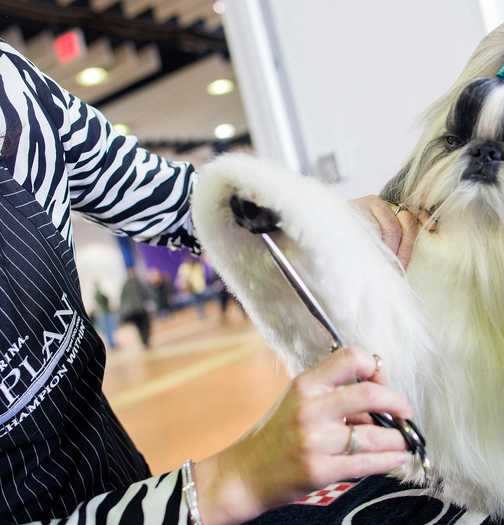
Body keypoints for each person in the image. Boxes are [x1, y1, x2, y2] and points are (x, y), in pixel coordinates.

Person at [0, 41, 422, 524]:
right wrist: (233, 479)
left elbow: (179, 202)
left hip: (121, 476)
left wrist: (317, 225)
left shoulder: (11, 89)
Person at [119, 268, 154, 349]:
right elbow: (146, 292)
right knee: (144, 325)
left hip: (133, 311)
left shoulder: (125, 284)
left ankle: (144, 341)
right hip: (140, 309)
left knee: (139, 327)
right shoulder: (138, 282)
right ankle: (146, 341)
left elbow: (122, 298)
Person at [93, 282, 118, 349]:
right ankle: (112, 344)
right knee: (108, 329)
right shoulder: (99, 294)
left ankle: (112, 343)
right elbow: (105, 300)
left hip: (104, 313)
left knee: (108, 329)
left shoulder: (97, 294)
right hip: (105, 313)